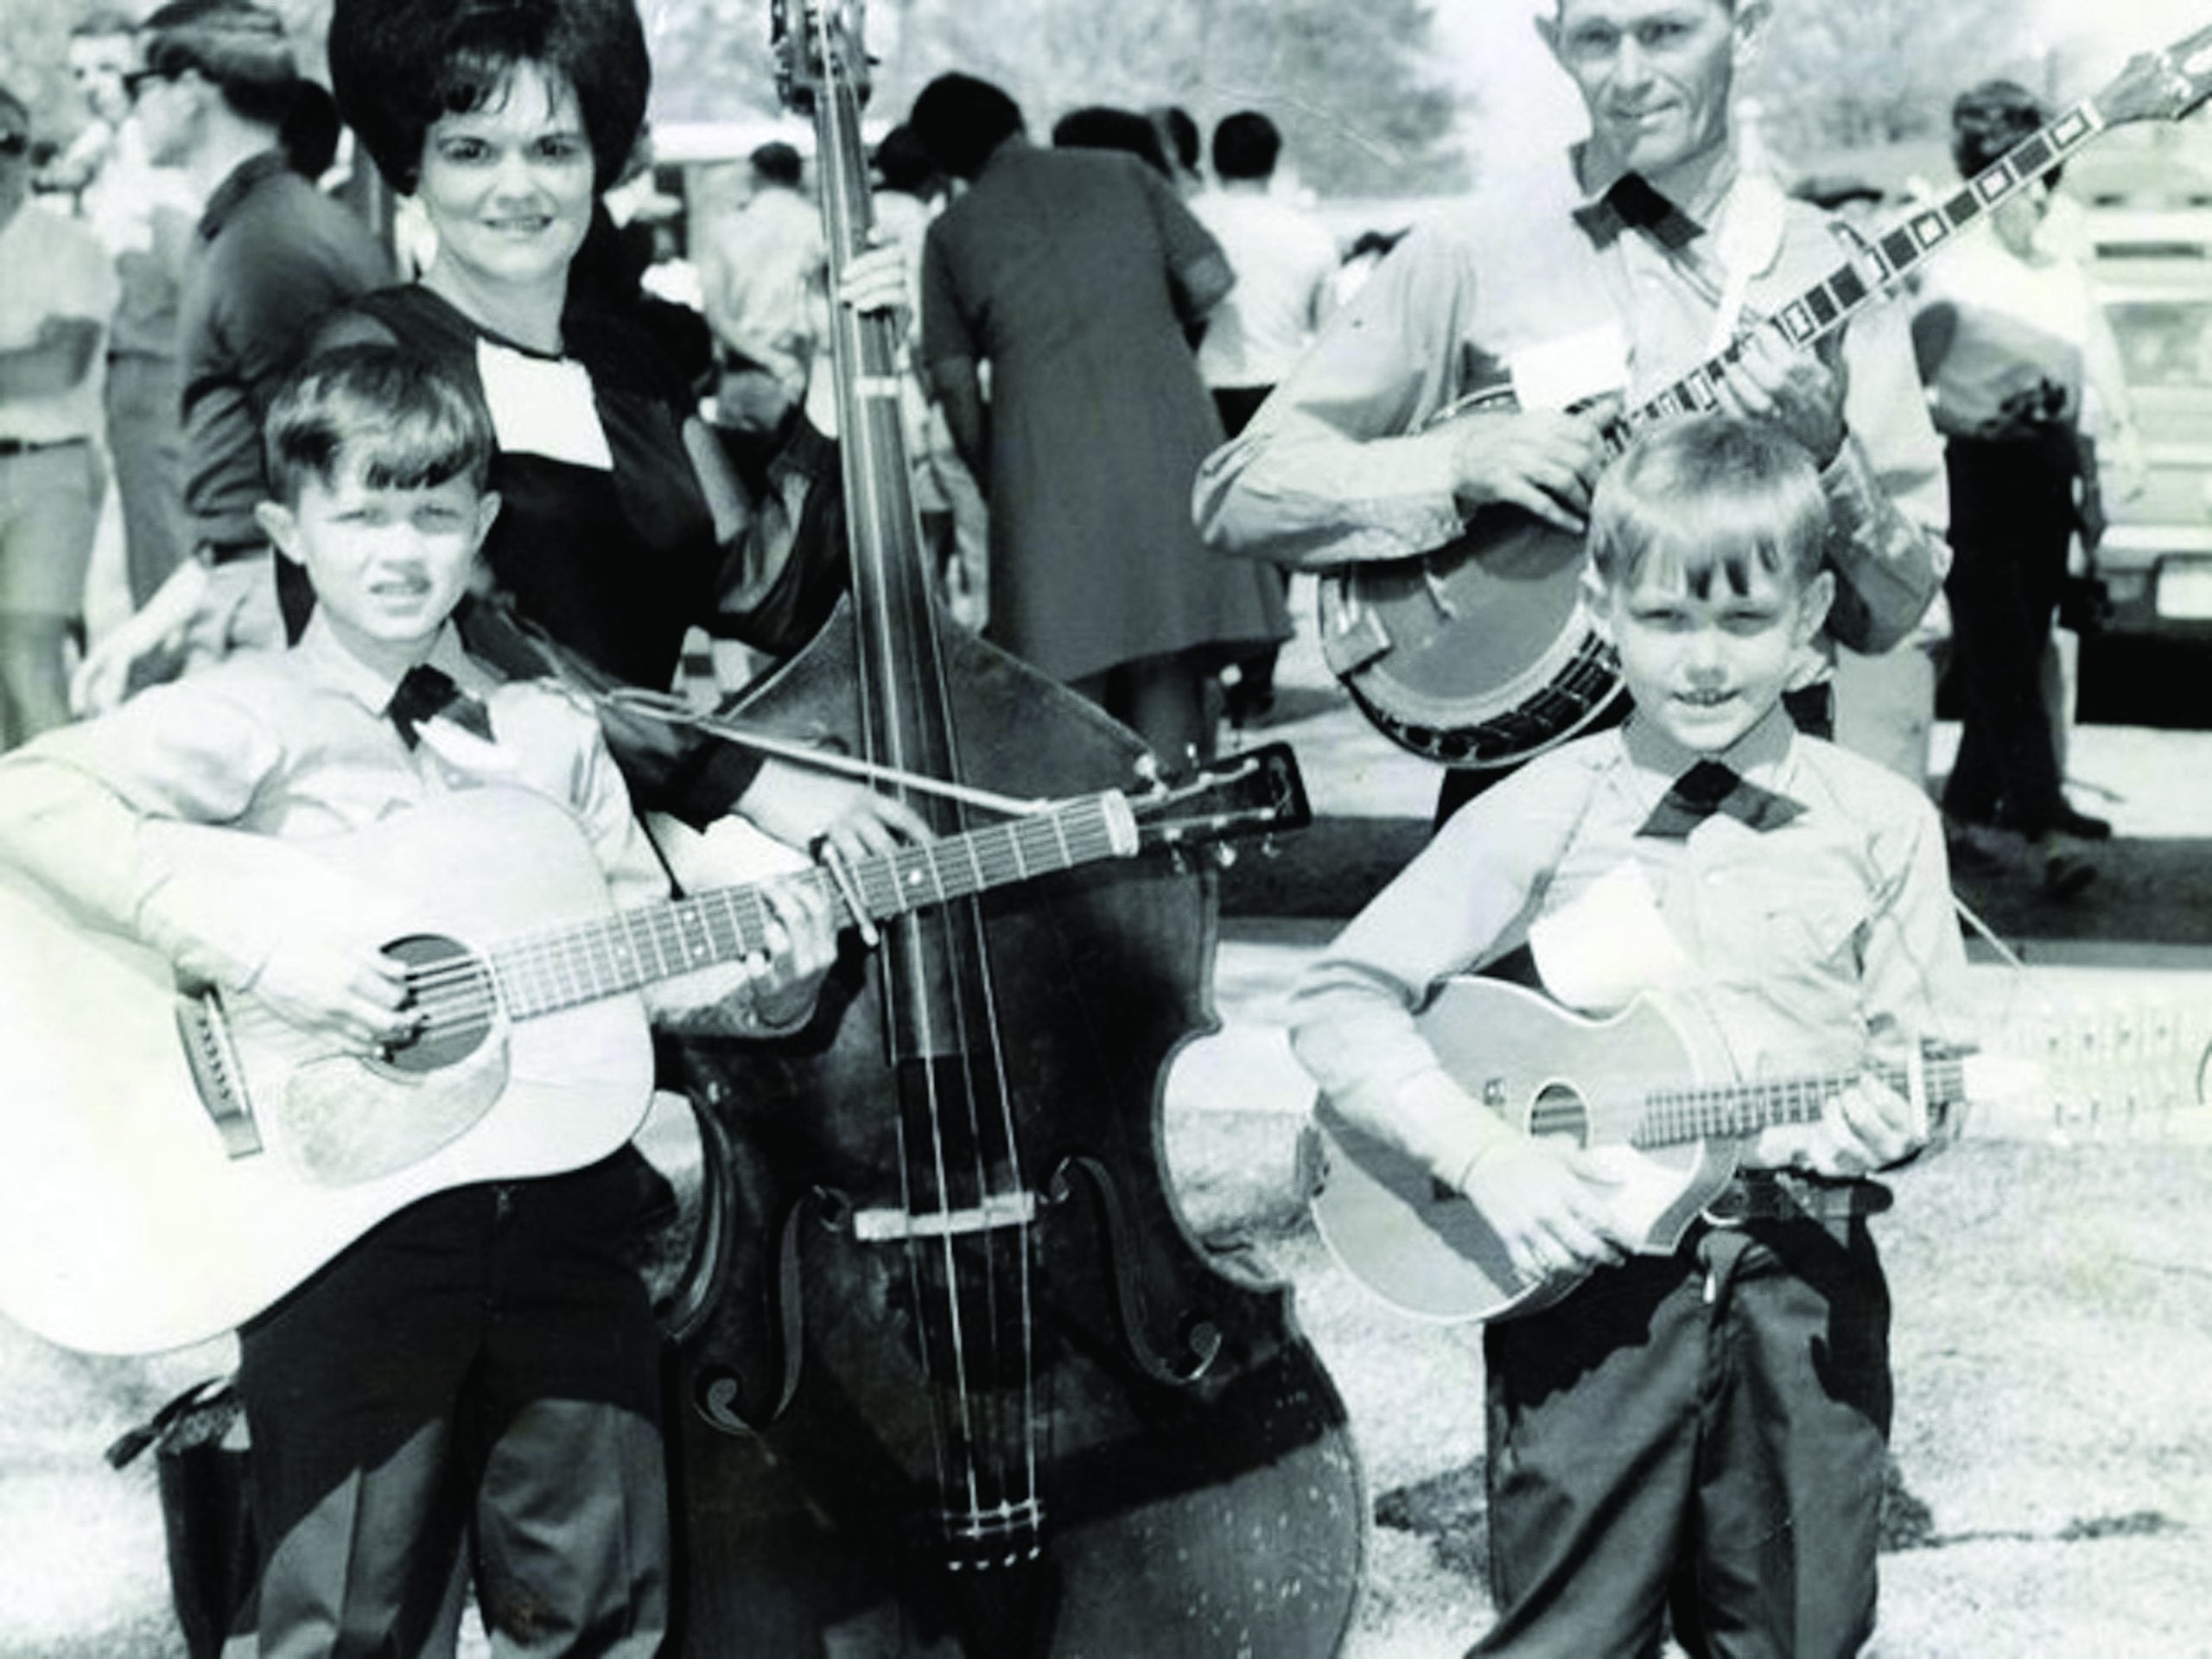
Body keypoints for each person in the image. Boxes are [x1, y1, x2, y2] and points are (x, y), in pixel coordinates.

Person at [0, 341, 841, 1656]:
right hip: (347, 1244)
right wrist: (265, 952)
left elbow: (634, 958)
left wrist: (767, 984)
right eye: (363, 516)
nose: (402, 552)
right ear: (288, 529)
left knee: (602, 1606)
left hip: (565, 1228)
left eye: (436, 516)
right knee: (343, 1618)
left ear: (485, 530)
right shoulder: (249, 716)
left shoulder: (546, 735)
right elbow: (29, 797)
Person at [1292, 414, 1971, 1656]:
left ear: (1814, 613)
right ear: (1600, 608)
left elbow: (1924, 1071)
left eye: (1744, 621)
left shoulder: (1884, 826)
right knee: (1570, 1635)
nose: (1704, 663)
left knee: (1803, 1629)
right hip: (1587, 1297)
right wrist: (1490, 1157)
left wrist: (1905, 1120)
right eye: (1665, 620)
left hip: (1805, 1293)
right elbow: (1341, 1002)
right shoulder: (1542, 810)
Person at [1194, 0, 1947, 823]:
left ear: (1748, 30)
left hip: (1761, 803)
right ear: (1555, 46)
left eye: (1666, 32)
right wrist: (1459, 465)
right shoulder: (1471, 249)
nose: (1628, 77)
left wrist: (1829, 453)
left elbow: (1898, 612)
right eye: (1596, 38)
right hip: (1526, 802)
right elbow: (1239, 488)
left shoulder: (1827, 265)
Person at [318, 0, 924, 859]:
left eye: (554, 148)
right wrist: (748, 782)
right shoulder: (372, 356)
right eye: (471, 151)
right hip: (452, 832)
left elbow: (762, 600)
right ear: (411, 165)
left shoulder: (628, 364)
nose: (518, 187)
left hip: (633, 820)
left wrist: (832, 366)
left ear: (597, 159)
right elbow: (466, 635)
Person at [910, 72, 1288, 770]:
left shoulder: (951, 232)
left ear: (943, 158)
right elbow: (1210, 280)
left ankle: (1095, 850)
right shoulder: (1124, 171)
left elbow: (956, 383)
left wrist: (995, 474)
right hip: (1166, 433)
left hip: (1041, 461)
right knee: (1166, 653)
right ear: (1016, 115)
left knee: (1064, 684)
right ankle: (1179, 841)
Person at [75, 0, 391, 701]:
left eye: (137, 86)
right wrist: (152, 623)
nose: (129, 109)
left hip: (283, 610)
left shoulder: (268, 246)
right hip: (249, 590)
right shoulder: (255, 224)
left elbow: (329, 467)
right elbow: (244, 487)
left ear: (189, 91)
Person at [1913, 79, 2142, 891]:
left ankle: (1963, 816)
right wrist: (1969, 428)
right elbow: (1904, 399)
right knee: (2004, 657)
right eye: (2020, 179)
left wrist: (2093, 497)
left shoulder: (2059, 273)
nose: (2039, 197)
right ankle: (2045, 830)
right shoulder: (1951, 277)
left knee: (2016, 654)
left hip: (2048, 481)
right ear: (1983, 183)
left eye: (2049, 177)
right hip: (1974, 481)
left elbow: (2083, 393)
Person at [49, 10, 205, 617]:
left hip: (160, 372)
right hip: (121, 381)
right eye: (81, 71)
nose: (94, 84)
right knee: (134, 567)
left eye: (110, 68)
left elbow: (186, 270)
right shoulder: (112, 152)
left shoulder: (150, 155)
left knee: (165, 565)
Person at [1190, 109, 1338, 726]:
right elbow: (1330, 335)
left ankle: (1202, 670)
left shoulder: (1192, 218)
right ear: (1274, 160)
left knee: (1200, 530)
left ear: (1212, 157)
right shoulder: (1309, 235)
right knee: (1269, 540)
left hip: (1201, 387)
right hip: (1279, 389)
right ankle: (1255, 684)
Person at [0, 83, 117, 748]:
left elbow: (59, 370)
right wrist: (23, 353)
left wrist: (39, 357)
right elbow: (33, 365)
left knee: (28, 656)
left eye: (11, 142)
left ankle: (58, 826)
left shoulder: (71, 245)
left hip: (49, 473)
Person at [696, 140, 828, 438]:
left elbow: (715, 314)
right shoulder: (817, 225)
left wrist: (763, 356)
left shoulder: (725, 227)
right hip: (802, 374)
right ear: (798, 177)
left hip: (739, 373)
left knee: (738, 478)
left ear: (754, 175)